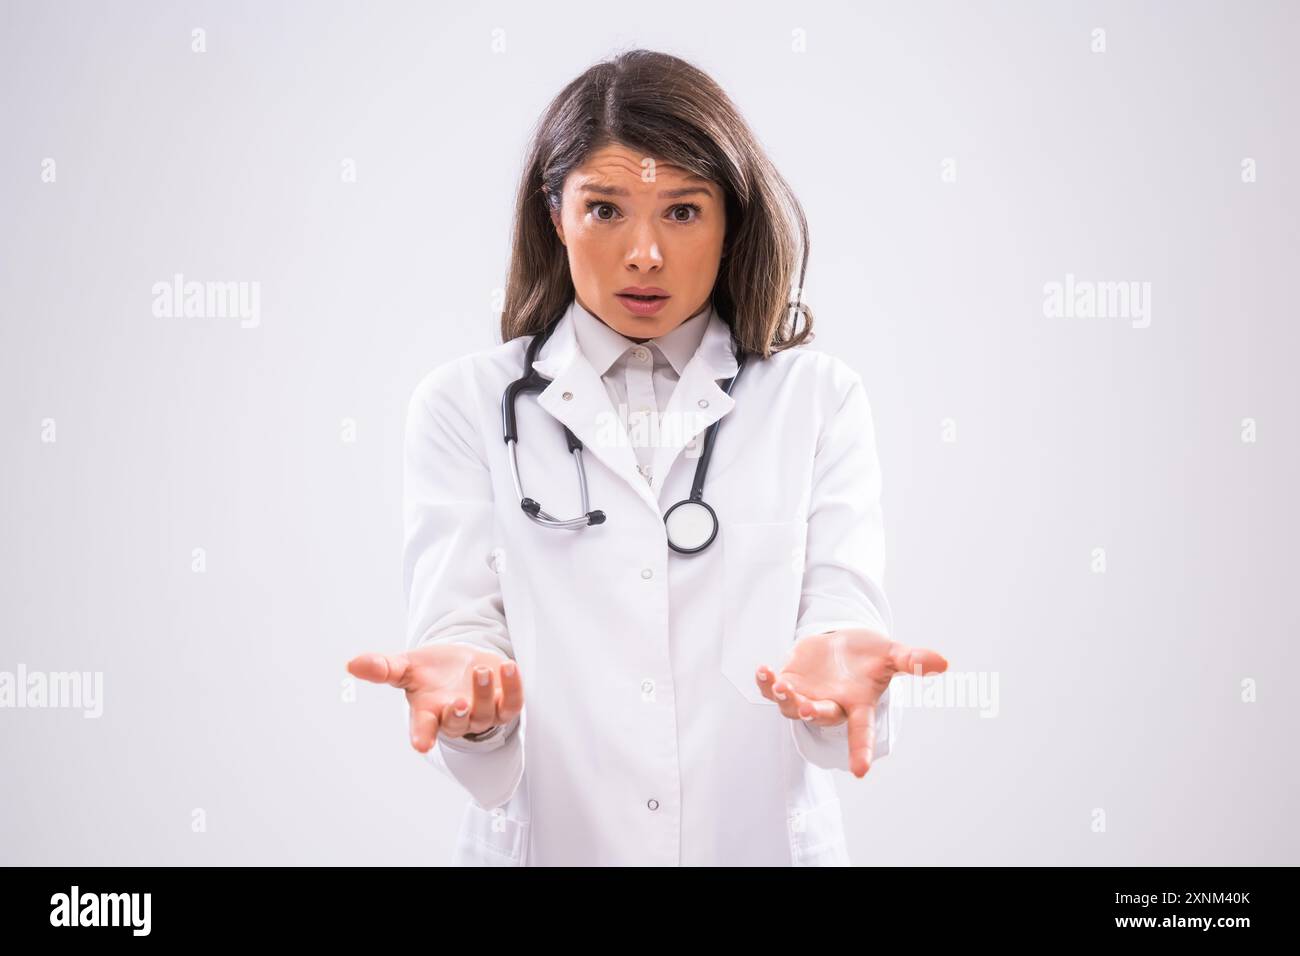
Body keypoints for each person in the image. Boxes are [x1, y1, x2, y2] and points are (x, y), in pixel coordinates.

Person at [348, 48, 947, 866]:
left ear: (731, 218)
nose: (645, 255)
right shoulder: (464, 407)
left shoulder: (816, 400)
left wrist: (842, 683)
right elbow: (462, 638)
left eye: (682, 211)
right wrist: (474, 704)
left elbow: (842, 619)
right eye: (605, 210)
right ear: (554, 213)